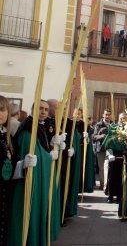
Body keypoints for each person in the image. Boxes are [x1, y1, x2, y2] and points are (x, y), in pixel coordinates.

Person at [9, 99, 62, 245]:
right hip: (28, 179)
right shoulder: (28, 128)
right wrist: (49, 157)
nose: (43, 112)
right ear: (33, 110)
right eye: (40, 109)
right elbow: (34, 153)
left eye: (45, 109)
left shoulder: (40, 126)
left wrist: (52, 146)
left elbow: (43, 148)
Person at [0, 96, 21, 245]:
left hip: (5, 194)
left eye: (2, 109)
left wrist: (22, 165)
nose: (0, 113)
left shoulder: (9, 138)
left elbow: (12, 165)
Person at [103, 112, 127, 203]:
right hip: (114, 154)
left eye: (124, 118)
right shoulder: (113, 128)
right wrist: (109, 154)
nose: (123, 120)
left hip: (125, 154)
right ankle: (110, 195)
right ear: (118, 118)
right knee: (112, 176)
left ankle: (120, 196)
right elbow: (107, 143)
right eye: (121, 118)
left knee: (122, 176)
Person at [92, 109, 112, 191]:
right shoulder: (98, 125)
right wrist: (101, 136)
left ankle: (107, 184)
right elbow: (94, 136)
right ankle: (102, 184)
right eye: (106, 114)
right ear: (103, 115)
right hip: (101, 149)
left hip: (110, 148)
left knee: (108, 167)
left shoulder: (112, 124)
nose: (107, 116)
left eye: (109, 115)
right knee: (101, 168)